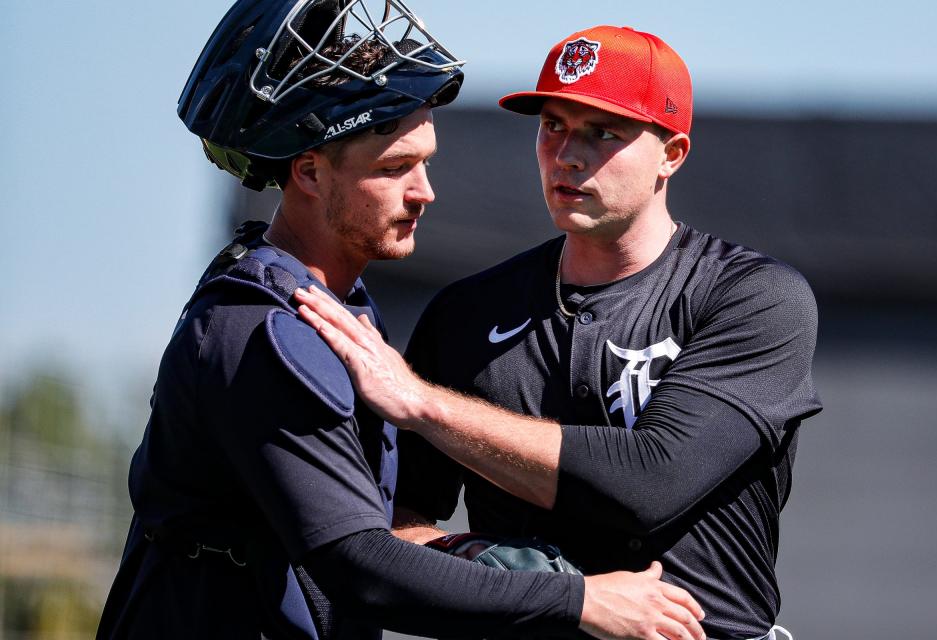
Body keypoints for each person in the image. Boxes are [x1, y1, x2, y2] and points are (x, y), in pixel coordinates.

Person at [97, 3, 707, 640]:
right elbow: (360, 564)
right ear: (308, 172)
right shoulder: (264, 331)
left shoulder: (335, 306)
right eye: (393, 169)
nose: (424, 192)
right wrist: (576, 598)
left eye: (425, 163)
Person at [293, 25, 822, 640]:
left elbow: (649, 483)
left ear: (671, 155)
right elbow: (397, 514)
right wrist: (478, 559)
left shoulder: (749, 297)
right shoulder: (467, 312)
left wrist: (424, 402)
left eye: (605, 132)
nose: (569, 154)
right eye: (552, 126)